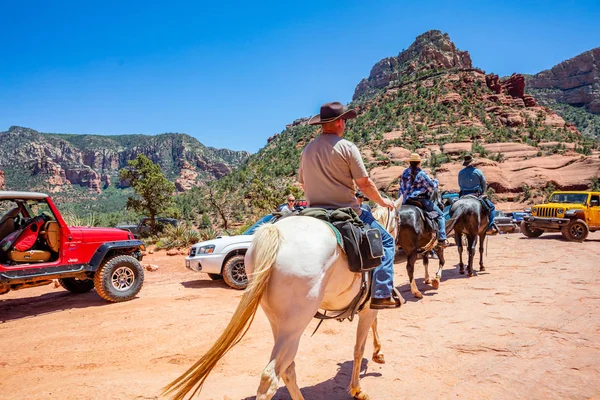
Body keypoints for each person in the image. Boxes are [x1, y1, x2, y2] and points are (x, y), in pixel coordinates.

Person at [298, 101, 401, 309]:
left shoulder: (307, 151)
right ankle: (381, 292)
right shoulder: (347, 147)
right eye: (344, 120)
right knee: (388, 242)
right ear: (338, 123)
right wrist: (383, 202)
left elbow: (302, 183)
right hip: (346, 211)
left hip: (313, 212)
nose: (345, 124)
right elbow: (364, 183)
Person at [398, 153, 449, 248]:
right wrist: (436, 182)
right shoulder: (421, 174)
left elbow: (401, 188)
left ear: (409, 162)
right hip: (420, 200)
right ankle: (442, 238)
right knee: (441, 216)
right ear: (419, 163)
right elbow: (431, 187)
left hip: (405, 201)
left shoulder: (404, 173)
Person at [458, 154, 497, 233]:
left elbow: (460, 184)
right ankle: (491, 226)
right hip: (476, 194)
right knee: (492, 207)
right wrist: (482, 193)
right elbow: (483, 184)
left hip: (463, 195)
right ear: (472, 162)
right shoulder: (478, 172)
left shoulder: (460, 172)